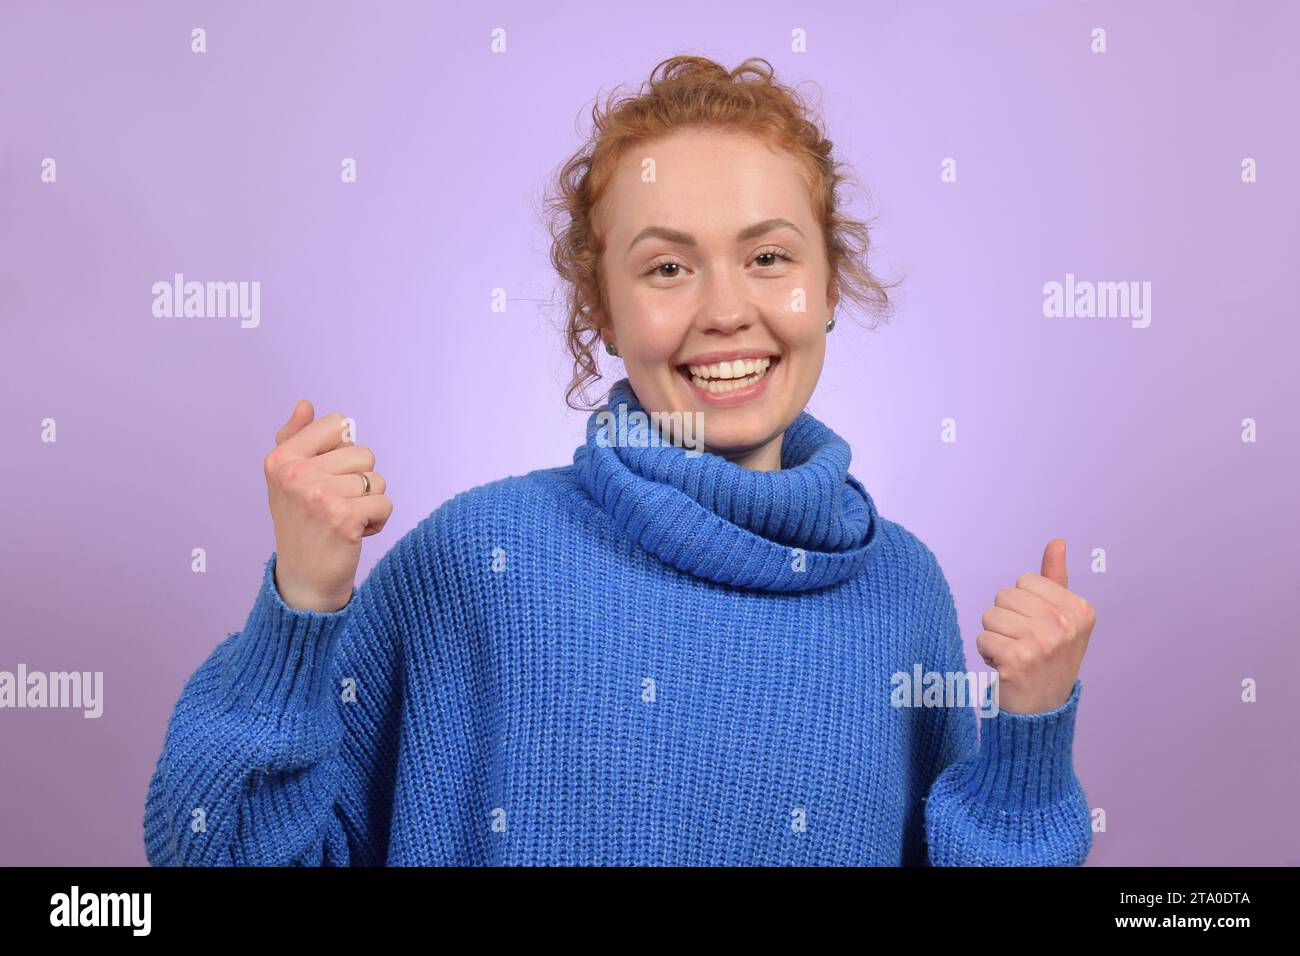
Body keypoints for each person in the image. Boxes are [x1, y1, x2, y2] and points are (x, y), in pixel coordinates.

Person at [143, 55, 1096, 866]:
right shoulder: (473, 562)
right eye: (668, 267)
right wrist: (300, 609)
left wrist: (1029, 737)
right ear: (601, 309)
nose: (725, 309)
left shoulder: (904, 592)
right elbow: (215, 849)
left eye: (768, 257)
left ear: (829, 284)